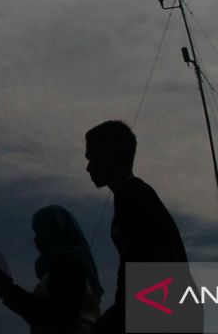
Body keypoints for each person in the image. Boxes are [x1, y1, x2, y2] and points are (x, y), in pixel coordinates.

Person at [85, 120, 202, 333]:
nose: (88, 167)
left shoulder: (133, 198)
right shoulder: (133, 197)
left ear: (109, 156)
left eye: (92, 158)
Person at [0, 204, 103, 333]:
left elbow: (56, 317)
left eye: (40, 232)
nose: (35, 239)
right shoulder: (66, 265)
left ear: (53, 233)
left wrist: (8, 291)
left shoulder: (66, 265)